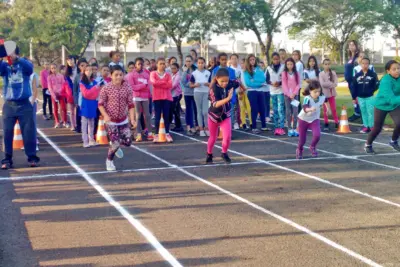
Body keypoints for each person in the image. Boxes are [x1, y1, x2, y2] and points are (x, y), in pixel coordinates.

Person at [0, 47, 40, 169]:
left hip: (24, 104)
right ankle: (7, 159)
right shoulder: (5, 66)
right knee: (7, 133)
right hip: (9, 105)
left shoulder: (24, 63)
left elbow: (30, 69)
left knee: (28, 132)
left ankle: (32, 157)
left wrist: (16, 58)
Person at [98, 65, 135, 171]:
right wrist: (105, 115)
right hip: (111, 121)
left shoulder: (127, 87)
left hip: (123, 119)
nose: (118, 77)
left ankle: (116, 145)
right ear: (111, 75)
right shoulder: (106, 88)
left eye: (120, 75)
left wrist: (132, 119)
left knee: (128, 141)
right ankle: (109, 161)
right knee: (115, 143)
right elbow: (100, 104)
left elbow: (131, 105)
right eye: (116, 75)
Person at [207, 68, 244, 164]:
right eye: (222, 81)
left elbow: (237, 81)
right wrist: (228, 98)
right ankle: (209, 153)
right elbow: (215, 104)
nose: (224, 83)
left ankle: (224, 152)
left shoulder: (230, 83)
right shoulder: (214, 88)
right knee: (213, 137)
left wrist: (242, 86)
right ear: (217, 79)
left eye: (226, 81)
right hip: (214, 116)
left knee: (227, 137)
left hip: (225, 115)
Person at [365, 60, 400, 154]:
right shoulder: (385, 81)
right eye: (394, 69)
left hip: (395, 105)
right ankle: (368, 144)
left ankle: (393, 141)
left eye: (398, 68)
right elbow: (391, 99)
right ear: (388, 71)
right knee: (377, 128)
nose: (397, 71)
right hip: (382, 105)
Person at [210, 53, 241, 132]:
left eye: (225, 59)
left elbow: (235, 82)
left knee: (230, 112)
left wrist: (239, 90)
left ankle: (228, 131)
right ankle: (220, 131)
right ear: (219, 60)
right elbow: (212, 83)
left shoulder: (232, 71)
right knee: (220, 113)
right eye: (222, 59)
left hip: (230, 95)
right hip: (219, 96)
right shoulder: (215, 70)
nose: (224, 61)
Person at [125, 57, 153, 142]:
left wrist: (142, 87)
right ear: (135, 65)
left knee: (147, 115)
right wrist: (142, 86)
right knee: (138, 116)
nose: (140, 66)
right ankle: (138, 134)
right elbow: (133, 87)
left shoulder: (146, 74)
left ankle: (150, 133)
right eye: (138, 64)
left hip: (145, 97)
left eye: (142, 64)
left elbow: (148, 86)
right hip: (136, 97)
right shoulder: (131, 75)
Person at [296, 80, 326, 159]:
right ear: (310, 91)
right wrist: (310, 109)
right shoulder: (307, 98)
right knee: (302, 140)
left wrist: (327, 108)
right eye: (315, 92)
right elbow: (305, 108)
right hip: (303, 119)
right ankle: (299, 149)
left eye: (319, 91)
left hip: (314, 119)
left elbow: (325, 101)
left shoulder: (322, 97)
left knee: (317, 135)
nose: (317, 93)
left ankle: (312, 146)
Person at [242, 54, 269, 134]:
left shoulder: (259, 69)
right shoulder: (246, 71)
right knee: (254, 109)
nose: (252, 61)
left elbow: (263, 79)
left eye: (253, 59)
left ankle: (264, 126)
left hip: (260, 92)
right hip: (252, 92)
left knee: (262, 109)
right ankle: (254, 127)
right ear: (248, 61)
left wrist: (255, 80)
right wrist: (258, 83)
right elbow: (249, 83)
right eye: (250, 60)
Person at [150, 57, 173, 143]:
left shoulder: (168, 75)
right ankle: (156, 134)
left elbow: (170, 85)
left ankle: (167, 133)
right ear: (157, 65)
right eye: (161, 64)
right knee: (157, 117)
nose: (162, 65)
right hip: (157, 98)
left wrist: (160, 83)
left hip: (167, 97)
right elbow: (154, 83)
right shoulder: (153, 73)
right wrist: (164, 82)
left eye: (164, 64)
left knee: (167, 117)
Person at [353, 57, 379, 134]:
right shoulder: (357, 75)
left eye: (366, 63)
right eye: (363, 63)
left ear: (369, 64)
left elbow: (376, 84)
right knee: (363, 112)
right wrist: (354, 97)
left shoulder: (373, 74)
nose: (365, 65)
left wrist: (371, 91)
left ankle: (371, 126)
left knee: (370, 112)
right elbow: (354, 86)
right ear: (360, 64)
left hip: (370, 97)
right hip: (360, 97)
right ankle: (365, 126)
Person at [79, 66, 101, 147]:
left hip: (93, 103)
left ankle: (91, 139)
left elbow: (95, 94)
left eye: (90, 70)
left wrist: (92, 92)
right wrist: (94, 89)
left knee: (92, 122)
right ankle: (85, 141)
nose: (89, 71)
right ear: (84, 72)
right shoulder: (82, 83)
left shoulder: (94, 82)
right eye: (87, 70)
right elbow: (85, 94)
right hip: (85, 104)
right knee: (84, 123)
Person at [190, 57, 211, 136]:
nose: (201, 64)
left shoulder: (208, 73)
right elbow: (191, 84)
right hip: (197, 92)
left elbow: (211, 83)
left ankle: (206, 127)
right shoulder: (194, 73)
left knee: (205, 111)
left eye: (202, 63)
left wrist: (208, 84)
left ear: (204, 63)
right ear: (197, 64)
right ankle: (201, 128)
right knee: (199, 111)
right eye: (199, 63)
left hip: (205, 92)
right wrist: (195, 85)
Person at [266, 52, 285, 136]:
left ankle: (281, 127)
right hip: (273, 91)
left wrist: (280, 83)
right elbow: (266, 79)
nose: (276, 60)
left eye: (277, 59)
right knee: (275, 109)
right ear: (272, 60)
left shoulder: (283, 67)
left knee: (281, 109)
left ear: (279, 59)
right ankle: (276, 127)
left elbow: (286, 78)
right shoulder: (269, 68)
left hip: (281, 91)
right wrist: (272, 83)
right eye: (274, 59)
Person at [319, 58, 339, 131]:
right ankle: (326, 122)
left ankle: (336, 122)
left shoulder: (333, 73)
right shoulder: (321, 74)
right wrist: (331, 84)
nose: (327, 66)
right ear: (323, 65)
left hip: (332, 94)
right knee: (325, 110)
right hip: (324, 95)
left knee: (333, 109)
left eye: (328, 64)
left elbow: (336, 83)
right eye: (325, 64)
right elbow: (322, 84)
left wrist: (330, 84)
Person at [282, 58, 301, 137]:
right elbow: (284, 84)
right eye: (288, 64)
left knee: (295, 112)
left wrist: (294, 94)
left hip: (295, 95)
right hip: (287, 95)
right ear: (286, 65)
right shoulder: (284, 73)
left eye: (291, 64)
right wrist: (289, 94)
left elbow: (298, 84)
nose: (289, 66)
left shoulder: (296, 73)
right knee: (288, 112)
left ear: (294, 65)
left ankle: (295, 128)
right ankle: (289, 128)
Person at [182, 55, 198, 135]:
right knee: (189, 110)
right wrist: (191, 84)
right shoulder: (184, 70)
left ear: (192, 61)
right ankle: (189, 126)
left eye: (189, 61)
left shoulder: (195, 70)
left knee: (196, 110)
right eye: (187, 61)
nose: (188, 63)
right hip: (187, 93)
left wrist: (194, 85)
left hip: (195, 92)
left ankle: (197, 126)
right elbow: (183, 82)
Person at [345, 40, 361, 122]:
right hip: (349, 82)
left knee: (356, 97)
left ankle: (358, 113)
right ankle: (357, 112)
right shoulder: (350, 57)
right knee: (354, 98)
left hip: (354, 82)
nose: (351, 46)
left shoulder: (357, 58)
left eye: (353, 45)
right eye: (350, 45)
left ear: (356, 46)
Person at [48, 63, 67, 128]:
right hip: (54, 95)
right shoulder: (49, 77)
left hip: (61, 94)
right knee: (55, 109)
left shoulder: (61, 76)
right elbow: (50, 87)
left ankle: (65, 121)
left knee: (64, 108)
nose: (53, 69)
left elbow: (63, 84)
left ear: (56, 68)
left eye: (54, 68)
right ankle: (57, 122)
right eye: (52, 68)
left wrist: (60, 91)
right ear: (50, 69)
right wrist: (54, 95)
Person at [229, 53, 243, 128]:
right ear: (230, 60)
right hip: (233, 90)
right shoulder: (229, 69)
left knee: (240, 106)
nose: (234, 60)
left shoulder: (241, 68)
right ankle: (234, 122)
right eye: (232, 59)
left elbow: (242, 80)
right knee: (233, 107)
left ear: (238, 59)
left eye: (235, 58)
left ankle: (241, 121)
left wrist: (242, 88)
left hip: (241, 89)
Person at [170, 62, 183, 132]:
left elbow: (174, 85)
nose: (173, 70)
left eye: (174, 68)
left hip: (177, 95)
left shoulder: (178, 76)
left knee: (175, 110)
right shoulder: (172, 75)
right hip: (172, 95)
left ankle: (179, 126)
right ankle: (178, 125)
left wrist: (167, 90)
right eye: (172, 68)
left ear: (177, 69)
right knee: (175, 110)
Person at [62, 64, 76, 131]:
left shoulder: (76, 82)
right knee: (71, 112)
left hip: (76, 97)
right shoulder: (66, 82)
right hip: (70, 98)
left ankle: (76, 124)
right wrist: (67, 96)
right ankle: (73, 125)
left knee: (76, 112)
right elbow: (63, 91)